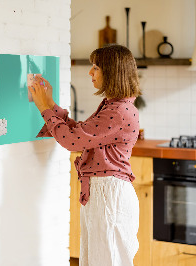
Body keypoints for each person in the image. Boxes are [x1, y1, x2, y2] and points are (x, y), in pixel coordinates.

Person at [29, 44, 141, 266]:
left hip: (109, 195)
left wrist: (44, 108)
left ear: (112, 72)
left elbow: (72, 141)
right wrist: (50, 104)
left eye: (96, 67)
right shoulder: (114, 106)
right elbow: (80, 133)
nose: (90, 72)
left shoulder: (118, 111)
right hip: (104, 193)